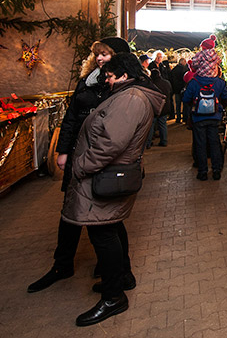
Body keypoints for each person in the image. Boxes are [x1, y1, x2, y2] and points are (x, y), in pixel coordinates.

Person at [63, 52, 165, 326]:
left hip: (106, 174)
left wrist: (80, 165)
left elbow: (111, 143)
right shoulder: (129, 95)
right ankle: (122, 278)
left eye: (109, 76)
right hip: (109, 173)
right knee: (112, 226)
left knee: (104, 234)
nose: (106, 81)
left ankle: (113, 296)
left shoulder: (130, 99)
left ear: (123, 75)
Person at [27, 36, 131, 294]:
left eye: (105, 54)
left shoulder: (120, 87)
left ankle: (116, 270)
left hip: (100, 159)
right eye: (97, 54)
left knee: (108, 219)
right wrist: (63, 150)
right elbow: (71, 117)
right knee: (70, 213)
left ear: (117, 57)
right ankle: (62, 265)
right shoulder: (87, 81)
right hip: (77, 154)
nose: (99, 58)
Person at [182, 37, 227, 181]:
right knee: (215, 143)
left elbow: (185, 100)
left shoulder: (194, 82)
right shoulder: (219, 82)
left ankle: (202, 172)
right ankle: (216, 170)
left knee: (200, 144)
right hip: (215, 117)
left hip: (198, 118)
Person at [146, 67, 172, 147]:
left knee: (151, 126)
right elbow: (171, 91)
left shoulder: (150, 84)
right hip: (164, 106)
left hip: (154, 107)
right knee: (163, 124)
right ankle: (164, 141)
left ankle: (148, 143)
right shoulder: (166, 83)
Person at [168, 57, 188, 123]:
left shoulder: (174, 70)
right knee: (185, 104)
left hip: (176, 90)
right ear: (183, 62)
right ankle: (185, 118)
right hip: (183, 89)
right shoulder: (184, 69)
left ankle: (178, 118)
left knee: (178, 105)